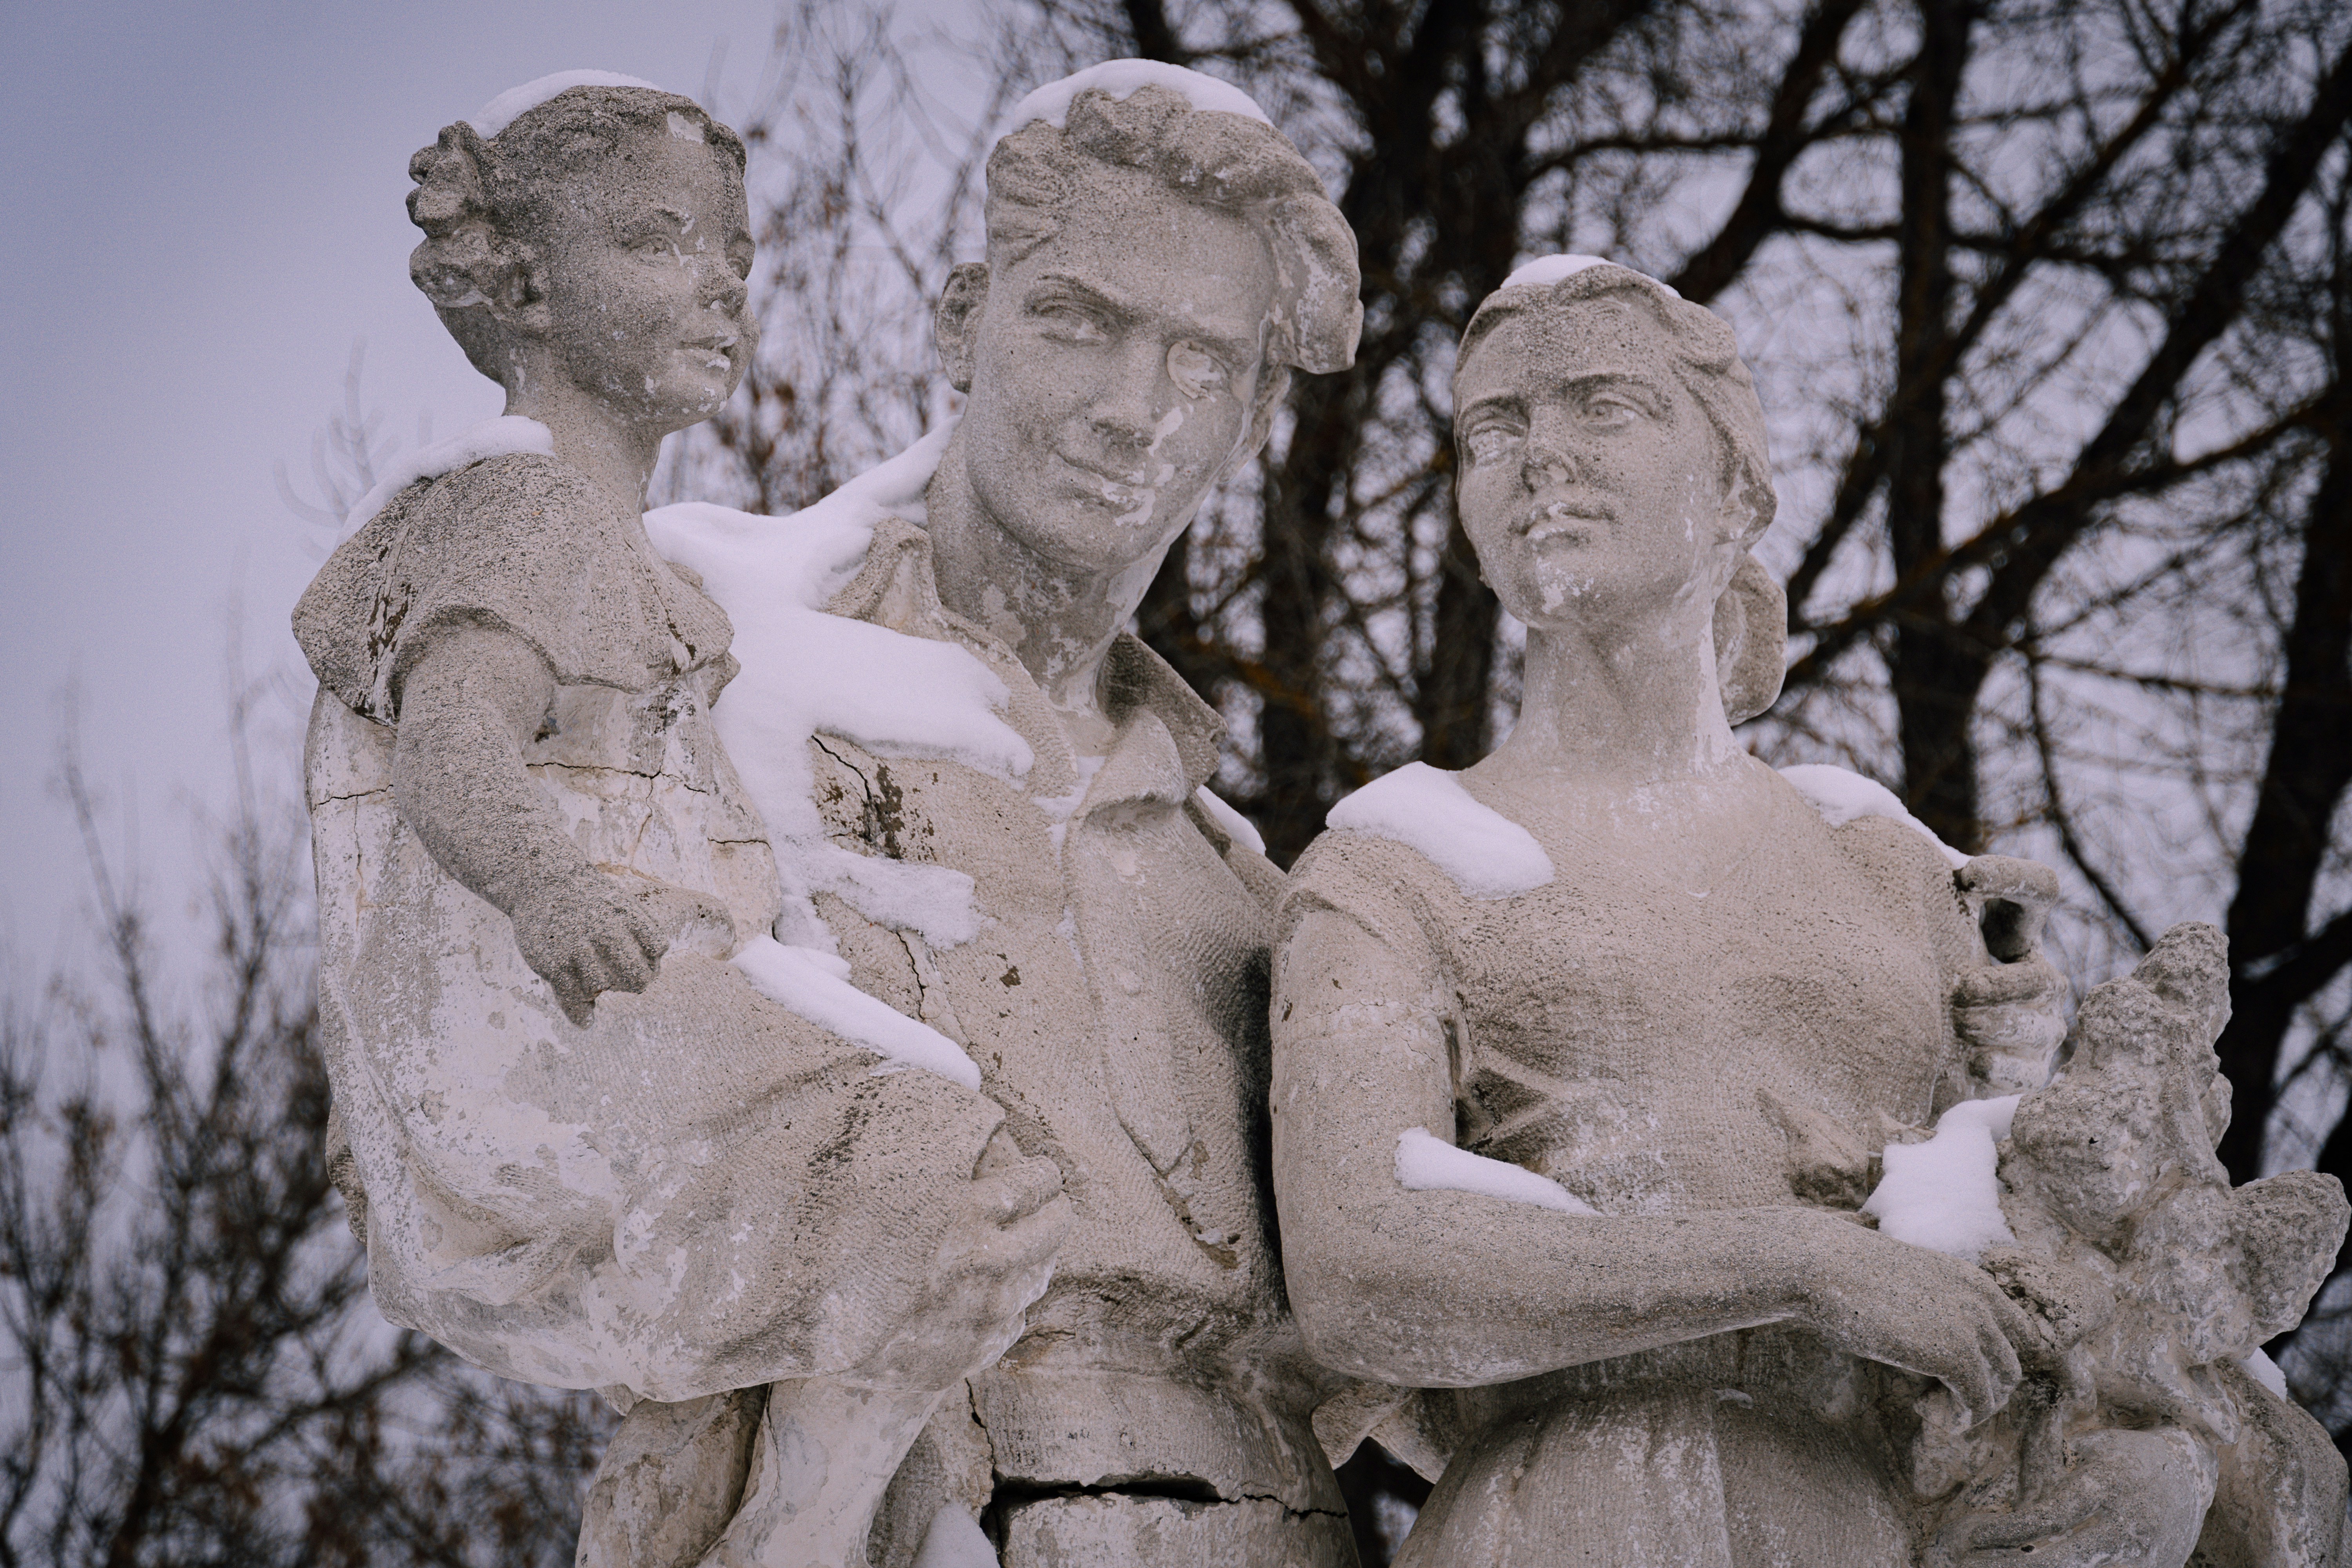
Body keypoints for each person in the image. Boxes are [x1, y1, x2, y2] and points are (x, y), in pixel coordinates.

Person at [293, 74, 1067, 1567]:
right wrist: (549, 889)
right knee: (961, 1181)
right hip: (551, 1024)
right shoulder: (520, 510)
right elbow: (459, 739)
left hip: (632, 1014)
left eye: (735, 252)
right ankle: (796, 1529)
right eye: (656, 240)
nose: (717, 279)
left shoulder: (636, 567)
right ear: (521, 282)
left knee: (948, 1206)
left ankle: (759, 1515)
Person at [651, 63, 1365, 1566]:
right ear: (962, 320)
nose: (1131, 409)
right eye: (1078, 319)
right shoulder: (709, 671)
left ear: (1249, 418)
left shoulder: (1244, 890)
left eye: (1200, 361)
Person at [1265, 257, 2080, 1564]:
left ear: (1736, 491)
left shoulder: (1881, 860)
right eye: (1495, 426)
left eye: (1603, 406)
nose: (1541, 455)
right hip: (1565, 1513)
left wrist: (2021, 1104)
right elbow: (1361, 1272)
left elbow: (2019, 1274)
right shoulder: (1393, 864)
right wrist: (1798, 1267)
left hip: (1866, 1517)